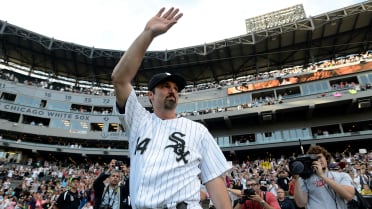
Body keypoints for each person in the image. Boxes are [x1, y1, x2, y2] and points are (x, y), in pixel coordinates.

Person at [111, 7, 232, 209]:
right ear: (150, 95)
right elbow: (119, 79)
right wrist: (148, 34)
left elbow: (214, 181)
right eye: (165, 86)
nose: (172, 91)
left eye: (176, 88)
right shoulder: (138, 120)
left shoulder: (197, 130)